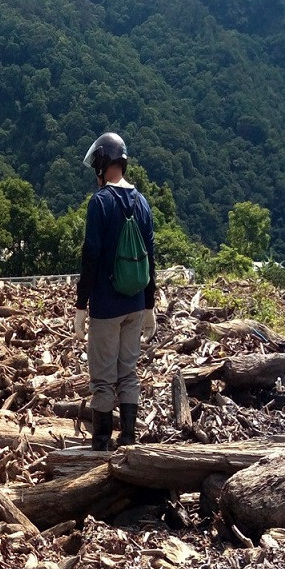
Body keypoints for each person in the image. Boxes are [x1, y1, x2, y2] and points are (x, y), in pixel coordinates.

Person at [73, 132, 157, 450]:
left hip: (107, 307)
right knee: (128, 373)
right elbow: (151, 256)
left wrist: (82, 306)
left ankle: (101, 444)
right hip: (136, 304)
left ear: (103, 163)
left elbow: (90, 255)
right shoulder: (142, 202)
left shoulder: (100, 203)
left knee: (103, 379)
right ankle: (130, 439)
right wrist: (149, 305)